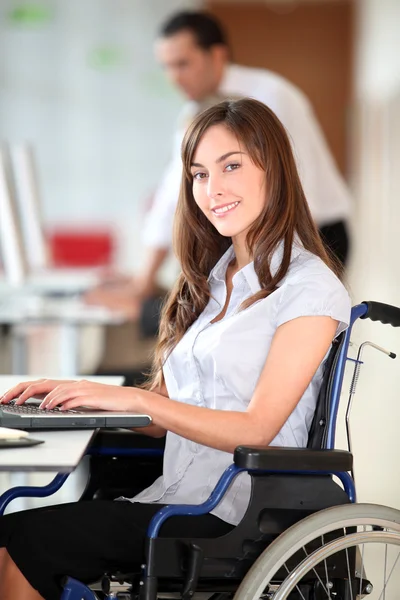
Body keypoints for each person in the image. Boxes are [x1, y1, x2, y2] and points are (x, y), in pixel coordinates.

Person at [0, 98, 351, 600]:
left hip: (233, 511)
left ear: (273, 170)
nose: (214, 190)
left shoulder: (310, 288)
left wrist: (139, 400)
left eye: (231, 166)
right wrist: (79, 396)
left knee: (35, 541)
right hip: (177, 491)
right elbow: (167, 412)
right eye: (199, 174)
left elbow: (257, 429)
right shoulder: (214, 280)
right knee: (10, 533)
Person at [87, 10, 352, 319]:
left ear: (217, 55)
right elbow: (174, 190)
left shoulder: (267, 98)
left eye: (182, 63)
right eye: (166, 67)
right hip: (254, 238)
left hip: (311, 231)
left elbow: (291, 188)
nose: (173, 77)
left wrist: (144, 296)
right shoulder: (196, 111)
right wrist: (142, 282)